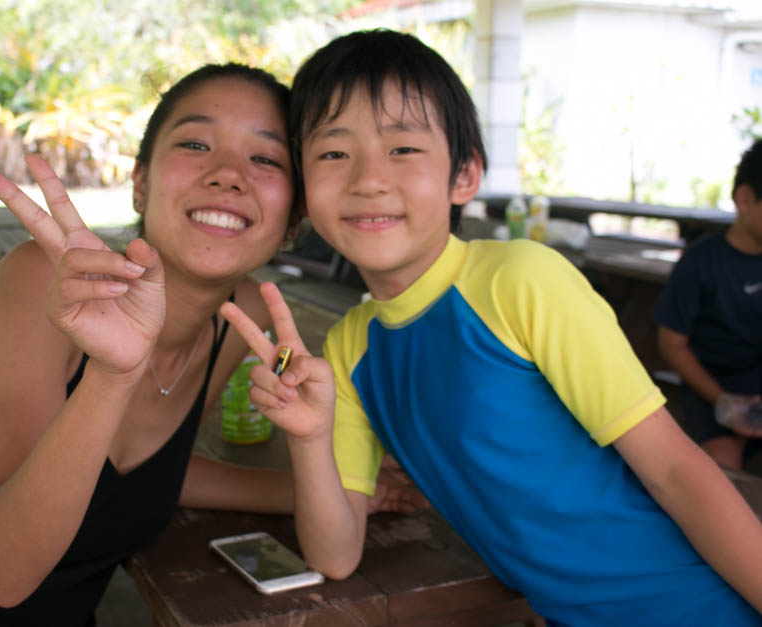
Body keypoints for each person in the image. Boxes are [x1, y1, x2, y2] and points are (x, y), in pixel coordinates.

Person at [221, 30, 762, 625]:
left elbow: (676, 470)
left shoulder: (520, 280)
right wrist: (307, 436)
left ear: (465, 175)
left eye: (403, 149)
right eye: (332, 153)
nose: (368, 178)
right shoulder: (349, 348)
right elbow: (337, 555)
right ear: (303, 187)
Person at [0, 62, 342, 626]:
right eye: (195, 142)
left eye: (265, 158)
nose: (227, 174)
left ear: (295, 216)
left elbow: (149, 472)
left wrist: (323, 491)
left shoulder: (241, 318)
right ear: (140, 181)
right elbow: (0, 576)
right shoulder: (48, 286)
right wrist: (112, 376)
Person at [654, 138, 762, 471]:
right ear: (744, 199)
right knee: (721, 470)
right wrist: (725, 403)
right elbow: (671, 343)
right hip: (713, 392)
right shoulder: (700, 262)